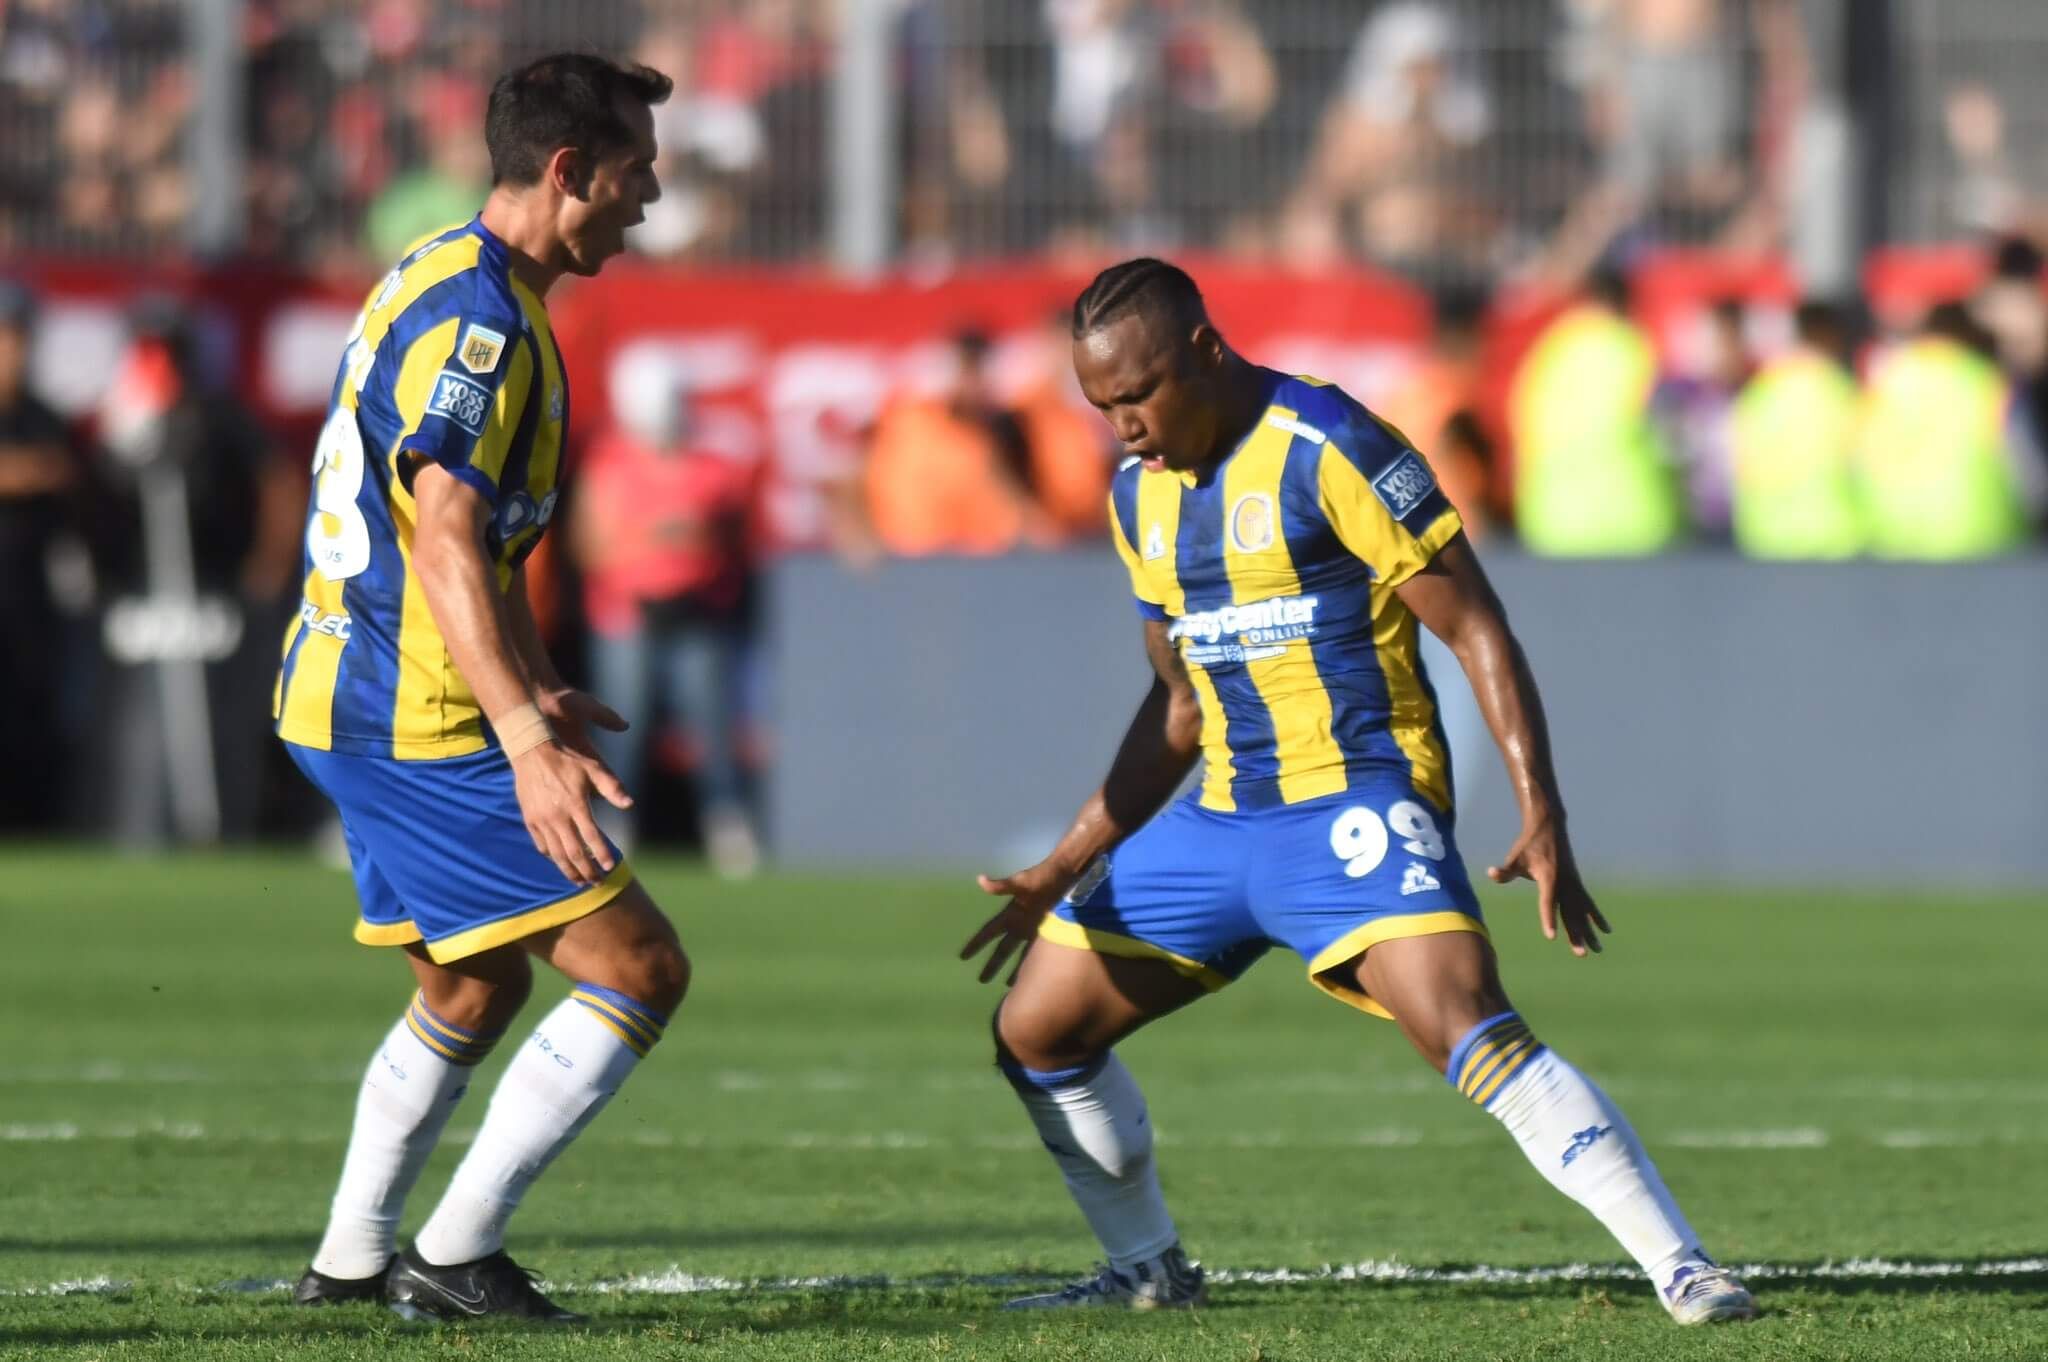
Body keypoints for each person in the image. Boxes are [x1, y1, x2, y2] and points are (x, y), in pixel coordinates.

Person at [959, 259, 1756, 1326]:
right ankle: (1147, 1270)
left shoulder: (1329, 444)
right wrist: (1067, 862)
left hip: (1352, 805)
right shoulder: (1135, 498)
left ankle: (1685, 1268)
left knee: (1460, 1021)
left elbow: (1472, 623)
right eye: (1100, 406)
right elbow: (1178, 709)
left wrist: (1542, 809)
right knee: (1036, 1031)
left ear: (1203, 350)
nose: (1124, 428)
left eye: (1137, 394)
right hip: (1220, 822)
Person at [273, 53, 685, 1323]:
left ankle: (348, 1263)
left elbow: (460, 533)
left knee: (469, 983)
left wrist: (539, 678)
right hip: (416, 716)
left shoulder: (450, 274)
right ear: (567, 172)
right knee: (637, 968)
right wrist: (518, 731)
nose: (650, 196)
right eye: (633, 170)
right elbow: (445, 532)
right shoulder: (484, 323)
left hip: (349, 693)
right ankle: (452, 1258)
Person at [571, 362, 763, 876]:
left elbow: (735, 542)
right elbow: (590, 546)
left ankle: (730, 831)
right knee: (622, 730)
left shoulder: (714, 467)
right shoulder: (609, 464)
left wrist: (694, 543)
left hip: (697, 617)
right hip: (627, 617)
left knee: (715, 730)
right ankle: (614, 831)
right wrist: (657, 537)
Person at [1509, 267, 1684, 556]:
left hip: (1553, 523)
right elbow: (1669, 433)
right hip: (1632, 519)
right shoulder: (1632, 348)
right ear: (1625, 303)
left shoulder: (1547, 352)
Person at [1728, 299, 1864, 559]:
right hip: (1832, 533)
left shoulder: (1759, 391)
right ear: (1830, 336)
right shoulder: (1838, 390)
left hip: (1766, 535)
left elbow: (1739, 461)